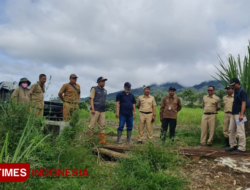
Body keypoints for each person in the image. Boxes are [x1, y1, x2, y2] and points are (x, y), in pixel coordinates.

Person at [226, 78, 249, 152]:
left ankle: (242, 148)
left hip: (239, 114)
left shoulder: (242, 91)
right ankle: (233, 145)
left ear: (238, 83)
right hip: (233, 113)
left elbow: (244, 103)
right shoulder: (236, 91)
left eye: (234, 85)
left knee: (240, 131)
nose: (233, 86)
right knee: (231, 130)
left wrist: (241, 115)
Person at [88, 77, 109, 144]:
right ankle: (89, 141)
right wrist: (93, 109)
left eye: (104, 81)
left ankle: (102, 140)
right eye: (102, 81)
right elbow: (91, 99)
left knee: (102, 125)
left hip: (102, 110)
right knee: (92, 125)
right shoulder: (94, 89)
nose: (104, 83)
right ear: (98, 82)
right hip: (95, 110)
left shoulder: (105, 91)